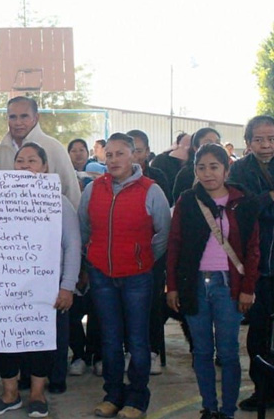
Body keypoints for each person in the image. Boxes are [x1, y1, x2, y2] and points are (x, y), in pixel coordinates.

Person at [0, 143, 80, 418]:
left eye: (32, 160)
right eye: (20, 161)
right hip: (6, 288)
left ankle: (38, 394)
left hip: (47, 288)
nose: (25, 165)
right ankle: (9, 393)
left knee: (42, 342)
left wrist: (67, 286)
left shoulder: (59, 202)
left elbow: (73, 246)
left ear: (45, 167)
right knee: (6, 340)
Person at [78, 133, 171, 419]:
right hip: (102, 276)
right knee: (110, 339)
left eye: (120, 153)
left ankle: (137, 398)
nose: (114, 159)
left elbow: (163, 233)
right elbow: (84, 228)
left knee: (138, 340)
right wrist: (91, 258)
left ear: (134, 156)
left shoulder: (151, 190)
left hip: (137, 278)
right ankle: (113, 395)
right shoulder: (93, 189)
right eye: (109, 154)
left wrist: (143, 258)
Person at [167, 143, 259, 419]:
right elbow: (174, 245)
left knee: (228, 352)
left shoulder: (243, 201)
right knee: (202, 351)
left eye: (214, 167)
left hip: (228, 286)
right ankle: (209, 407)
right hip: (194, 284)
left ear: (227, 169)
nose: (208, 173)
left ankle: (227, 410)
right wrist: (172, 286)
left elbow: (253, 249)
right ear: (195, 171)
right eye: (201, 167)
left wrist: (248, 289)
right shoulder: (187, 201)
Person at [228, 115, 274, 411]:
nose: (266, 145)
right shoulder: (239, 170)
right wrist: (269, 197)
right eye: (259, 139)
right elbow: (241, 212)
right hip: (257, 266)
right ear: (247, 142)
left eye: (271, 139)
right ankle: (263, 390)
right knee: (258, 332)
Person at [126, 130, 172, 375]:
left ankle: (152, 350)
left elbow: (164, 221)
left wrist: (152, 255)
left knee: (152, 304)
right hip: (121, 257)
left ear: (147, 152)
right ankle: (127, 350)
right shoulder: (107, 181)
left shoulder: (158, 178)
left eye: (138, 150)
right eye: (129, 151)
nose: (133, 156)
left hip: (151, 254)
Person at [0, 96, 81, 209]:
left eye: (24, 116)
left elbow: (72, 192)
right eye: (13, 117)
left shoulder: (54, 148)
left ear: (36, 118)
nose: (18, 122)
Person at [172, 128, 221, 202]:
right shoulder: (186, 174)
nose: (214, 146)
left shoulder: (228, 170)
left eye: (217, 143)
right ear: (196, 148)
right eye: (208, 143)